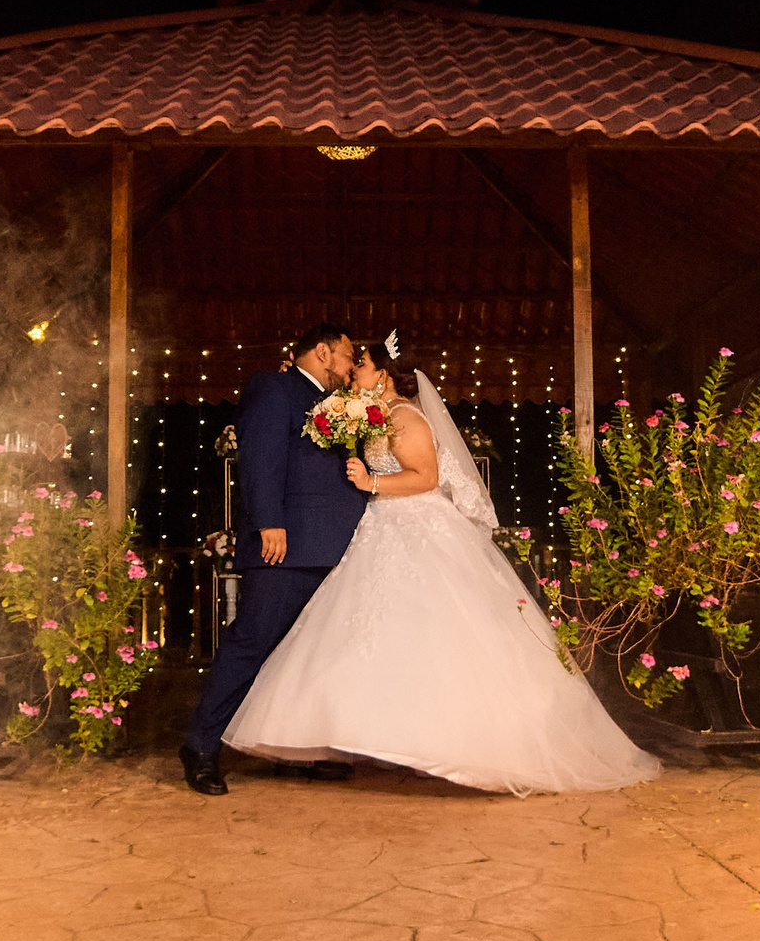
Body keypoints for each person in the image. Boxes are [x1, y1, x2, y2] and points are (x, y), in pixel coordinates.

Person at [224, 334, 662, 796]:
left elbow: (427, 479)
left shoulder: (406, 417)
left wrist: (371, 480)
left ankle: (459, 743)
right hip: (381, 528)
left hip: (414, 527)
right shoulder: (376, 418)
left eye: (363, 365)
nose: (354, 372)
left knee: (437, 632)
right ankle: (390, 739)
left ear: (385, 375)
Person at [180, 323, 367, 795]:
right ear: (323, 353)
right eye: (347, 357)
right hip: (286, 544)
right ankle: (201, 746)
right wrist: (269, 523)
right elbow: (260, 456)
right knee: (253, 642)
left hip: (336, 548)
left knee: (307, 655)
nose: (350, 368)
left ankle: (295, 751)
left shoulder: (343, 405)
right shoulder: (275, 387)